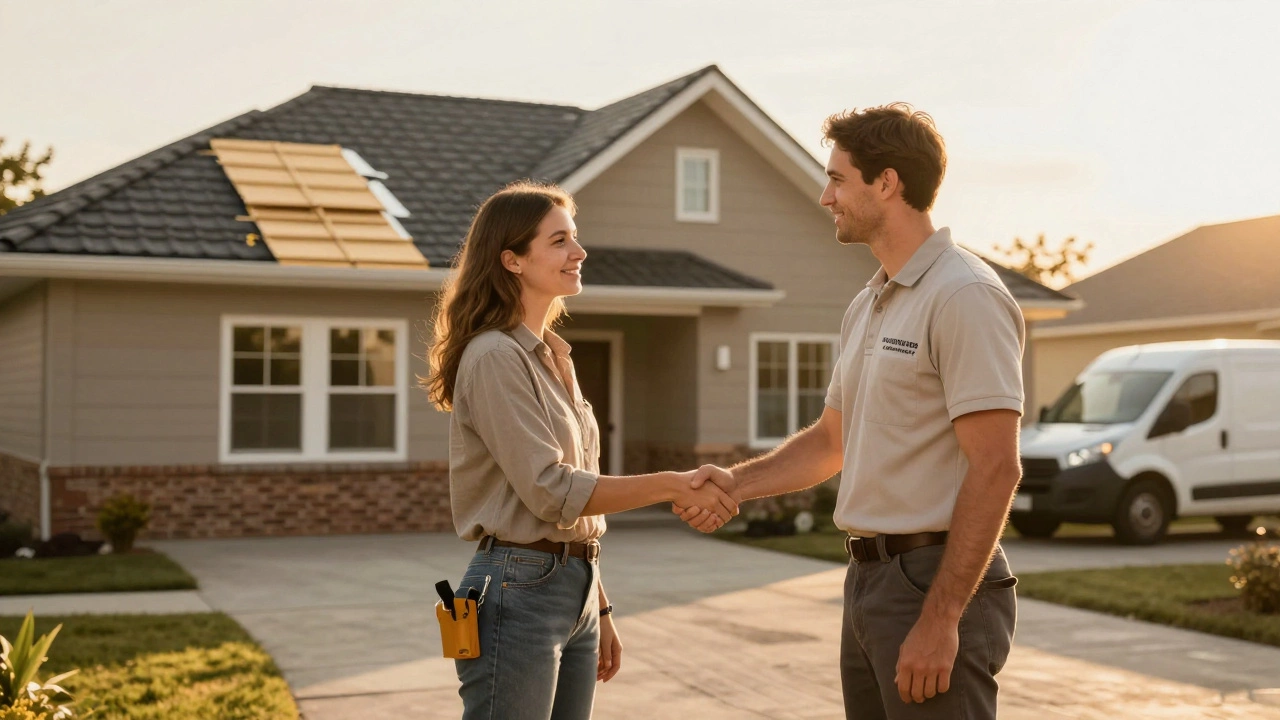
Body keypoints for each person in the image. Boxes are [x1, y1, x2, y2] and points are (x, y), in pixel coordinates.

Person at [678, 104, 1024, 719]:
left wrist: (942, 617)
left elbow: (996, 467)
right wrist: (735, 483)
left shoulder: (964, 295)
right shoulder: (869, 303)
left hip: (933, 579)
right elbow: (830, 442)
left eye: (838, 179)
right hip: (869, 581)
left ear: (886, 183)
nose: (824, 196)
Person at [426, 180, 737, 720]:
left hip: (575, 586)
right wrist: (671, 484)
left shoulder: (554, 358)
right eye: (559, 241)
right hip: (516, 588)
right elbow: (553, 491)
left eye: (575, 237)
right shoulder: (495, 356)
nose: (579, 252)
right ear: (512, 260)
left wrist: (598, 601)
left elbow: (574, 506)